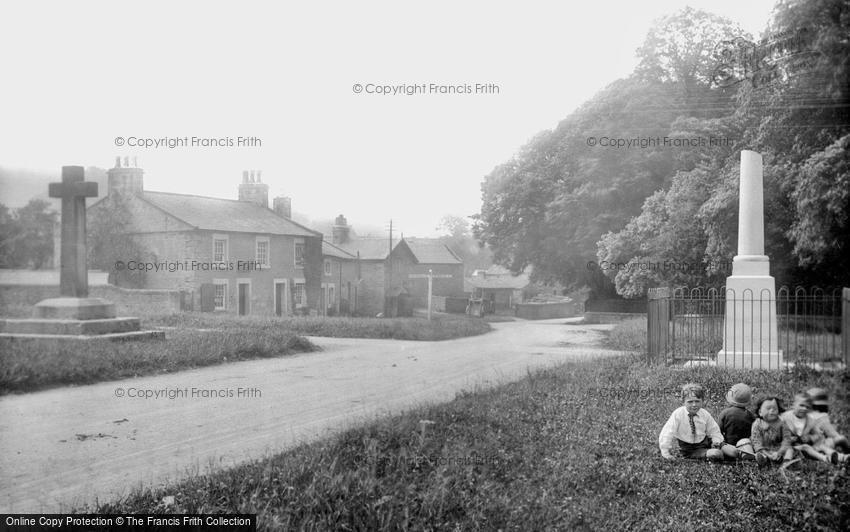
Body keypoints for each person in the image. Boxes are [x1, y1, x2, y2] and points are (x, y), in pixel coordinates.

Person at [659, 383, 724, 461]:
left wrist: (716, 441)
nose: (694, 405)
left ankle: (730, 451)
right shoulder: (678, 414)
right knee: (716, 454)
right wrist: (665, 451)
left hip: (704, 443)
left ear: (702, 401)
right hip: (688, 449)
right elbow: (668, 432)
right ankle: (710, 453)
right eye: (690, 402)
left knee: (728, 449)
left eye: (697, 401)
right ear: (683, 402)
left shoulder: (704, 414)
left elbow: (714, 430)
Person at [780, 392, 836, 464]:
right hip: (787, 445)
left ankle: (829, 457)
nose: (804, 408)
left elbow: (817, 434)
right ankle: (786, 462)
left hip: (801, 446)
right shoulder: (785, 417)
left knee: (813, 446)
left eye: (807, 407)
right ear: (793, 405)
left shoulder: (810, 420)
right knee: (802, 448)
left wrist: (809, 437)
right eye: (801, 405)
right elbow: (778, 430)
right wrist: (788, 438)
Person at [806, 387, 850, 461]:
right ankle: (844, 454)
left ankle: (839, 456)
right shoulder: (821, 417)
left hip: (811, 446)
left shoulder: (806, 416)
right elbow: (833, 434)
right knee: (840, 439)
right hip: (817, 446)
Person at [751, 396, 796, 467]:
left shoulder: (782, 423)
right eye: (768, 408)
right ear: (760, 412)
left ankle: (786, 463)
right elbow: (756, 442)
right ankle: (764, 460)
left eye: (774, 408)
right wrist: (767, 454)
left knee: (789, 449)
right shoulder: (757, 424)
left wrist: (779, 452)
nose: (772, 411)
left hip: (778, 449)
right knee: (755, 450)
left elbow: (786, 439)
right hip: (764, 450)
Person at [717, 383, 756, 460]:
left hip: (729, 445)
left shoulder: (725, 413)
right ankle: (746, 454)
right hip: (744, 444)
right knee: (746, 443)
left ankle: (734, 455)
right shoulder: (750, 415)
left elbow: (718, 431)